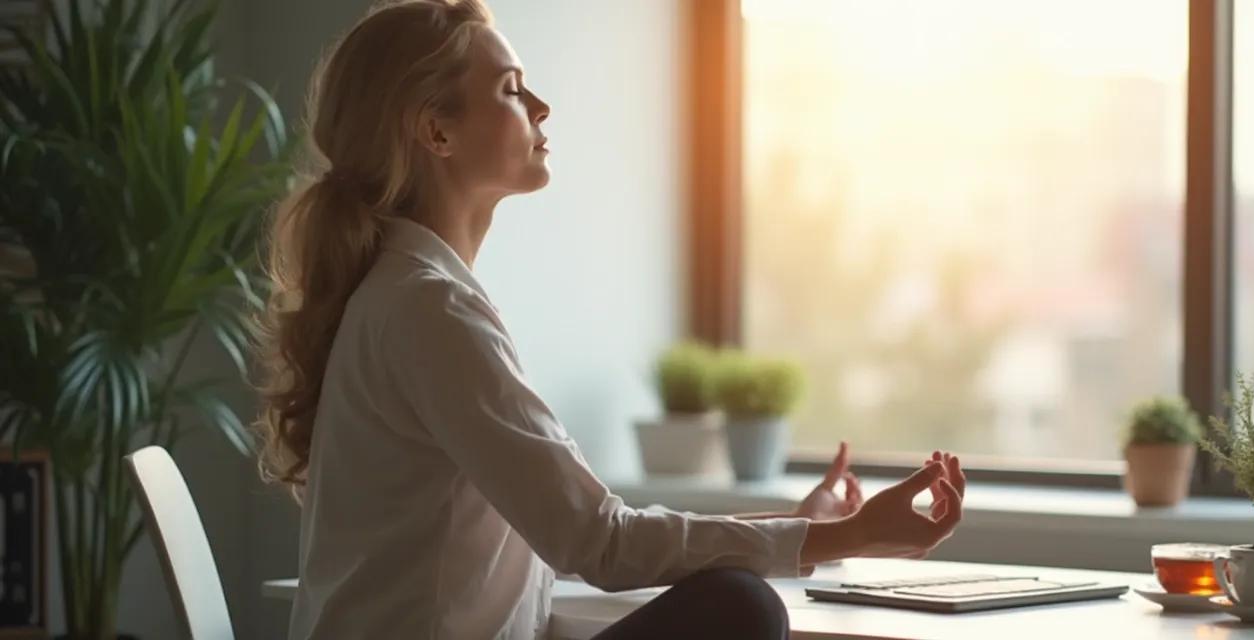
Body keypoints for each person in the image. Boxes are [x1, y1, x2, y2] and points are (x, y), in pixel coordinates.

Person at [253, 1, 967, 638]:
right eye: (510, 89)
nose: (541, 107)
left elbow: (581, 531)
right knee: (739, 610)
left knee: (737, 602)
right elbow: (599, 543)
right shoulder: (428, 308)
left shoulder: (412, 295)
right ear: (436, 132)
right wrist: (848, 536)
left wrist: (815, 530)